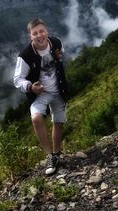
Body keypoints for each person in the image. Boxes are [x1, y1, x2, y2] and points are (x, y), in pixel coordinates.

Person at [13, 18, 68, 175]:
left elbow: (61, 53)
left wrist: (58, 56)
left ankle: (56, 155)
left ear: (47, 31)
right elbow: (17, 79)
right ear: (30, 36)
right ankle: (49, 156)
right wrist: (30, 87)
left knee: (58, 122)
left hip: (59, 90)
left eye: (41, 31)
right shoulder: (25, 56)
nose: (39, 35)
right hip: (40, 93)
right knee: (36, 118)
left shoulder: (56, 42)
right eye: (35, 33)